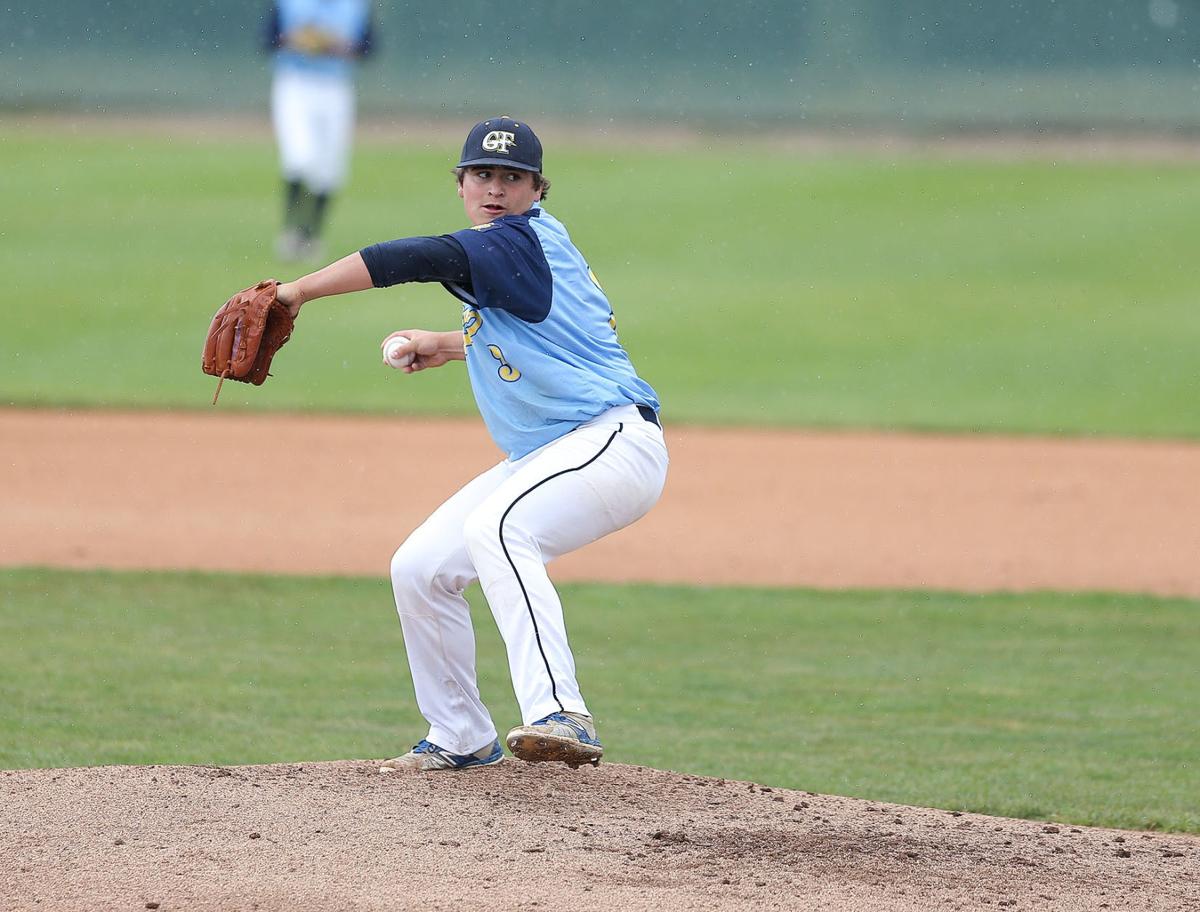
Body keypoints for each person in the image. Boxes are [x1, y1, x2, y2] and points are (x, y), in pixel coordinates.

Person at [274, 116, 669, 772]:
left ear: (537, 190)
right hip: (556, 452)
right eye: (482, 174)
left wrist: (296, 292)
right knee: (420, 568)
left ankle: (561, 711)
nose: (495, 188)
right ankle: (459, 733)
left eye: (512, 177)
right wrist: (451, 344)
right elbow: (550, 340)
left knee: (500, 528)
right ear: (460, 183)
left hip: (611, 443)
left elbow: (416, 258)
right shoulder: (521, 251)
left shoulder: (518, 239)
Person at [262, 0, 376, 262]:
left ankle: (311, 235)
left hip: (335, 86)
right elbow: (267, 39)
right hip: (296, 83)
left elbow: (368, 48)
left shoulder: (354, 6)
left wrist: (339, 46)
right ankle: (290, 230)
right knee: (300, 158)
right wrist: (296, 40)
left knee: (330, 169)